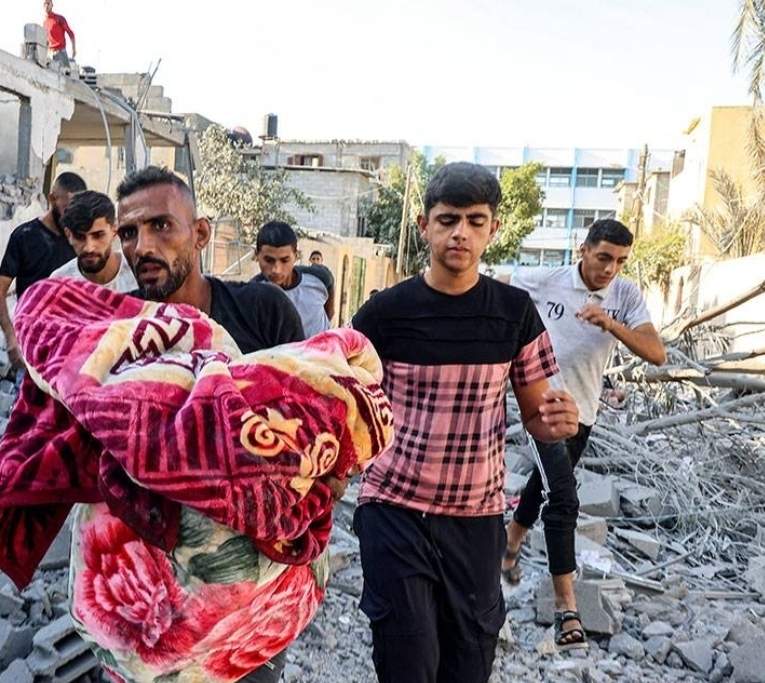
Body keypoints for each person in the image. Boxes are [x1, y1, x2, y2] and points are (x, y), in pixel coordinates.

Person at [0, 166, 393, 683]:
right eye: (129, 232)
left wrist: (321, 479)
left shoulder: (261, 309)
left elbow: (318, 420)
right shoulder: (118, 334)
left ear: (200, 233)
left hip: (251, 611)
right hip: (150, 618)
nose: (142, 246)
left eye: (161, 226)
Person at [350, 161, 580, 683]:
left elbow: (537, 416)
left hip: (475, 517)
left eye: (475, 221)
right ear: (424, 225)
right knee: (407, 659)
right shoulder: (385, 313)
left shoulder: (513, 312)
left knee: (469, 663)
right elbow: (341, 398)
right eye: (448, 219)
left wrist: (559, 421)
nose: (461, 233)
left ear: (492, 229)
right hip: (394, 507)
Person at [502, 218, 665, 650]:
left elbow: (656, 353)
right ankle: (566, 608)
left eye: (621, 261)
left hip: (584, 412)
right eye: (604, 257)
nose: (611, 268)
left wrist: (610, 324)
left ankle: (509, 543)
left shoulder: (624, 296)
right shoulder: (547, 280)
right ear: (584, 250)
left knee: (544, 487)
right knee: (564, 497)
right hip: (544, 406)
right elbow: (497, 287)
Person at [0, 171, 85, 369]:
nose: (72, 218)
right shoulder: (24, 237)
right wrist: (11, 337)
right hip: (31, 346)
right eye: (67, 210)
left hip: (69, 349)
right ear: (52, 199)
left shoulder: (80, 242)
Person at [252, 221, 335, 336]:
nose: (277, 270)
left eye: (285, 260)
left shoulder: (319, 277)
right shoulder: (252, 295)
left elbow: (330, 310)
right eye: (269, 260)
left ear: (296, 256)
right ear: (257, 255)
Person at [50, 190, 137, 291]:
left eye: (98, 235)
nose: (89, 248)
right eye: (79, 237)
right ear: (68, 235)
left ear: (114, 232)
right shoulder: (59, 284)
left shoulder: (138, 272)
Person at [43, 0, 76, 69]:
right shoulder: (45, 22)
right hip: (50, 54)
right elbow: (46, 39)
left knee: (66, 73)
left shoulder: (59, 19)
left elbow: (70, 33)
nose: (46, 6)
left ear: (52, 5)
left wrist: (73, 48)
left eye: (48, 3)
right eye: (45, 4)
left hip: (60, 52)